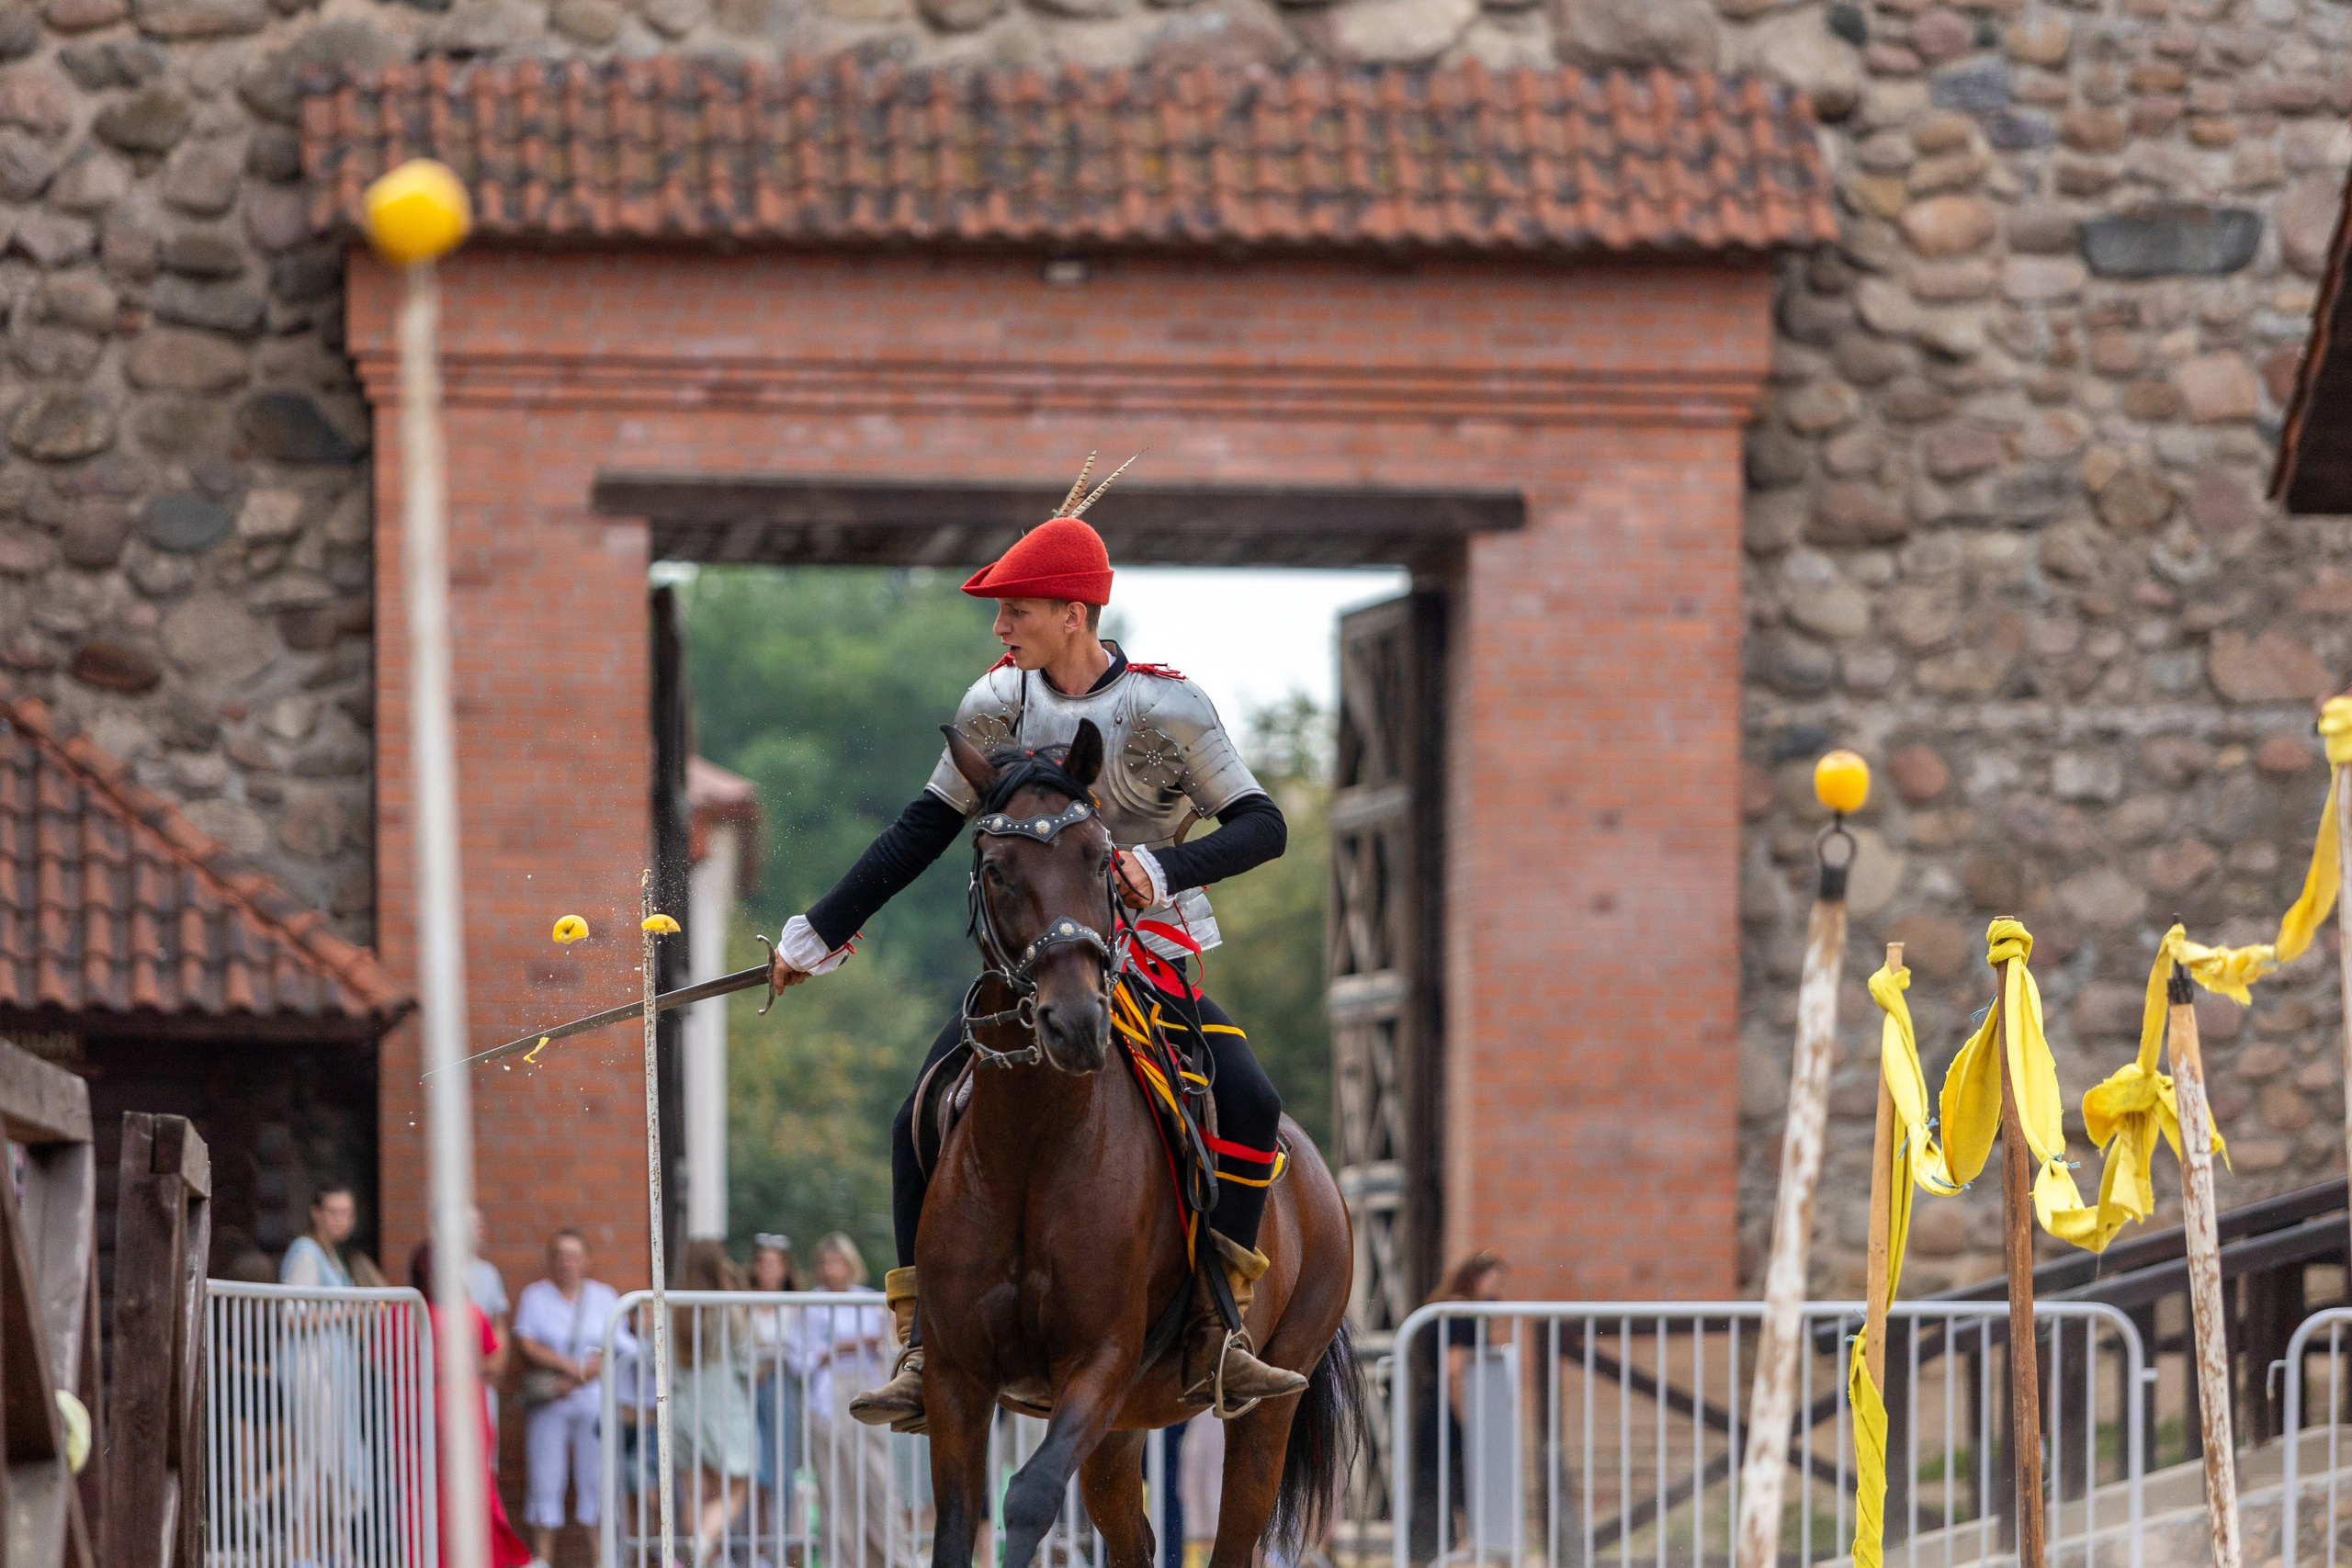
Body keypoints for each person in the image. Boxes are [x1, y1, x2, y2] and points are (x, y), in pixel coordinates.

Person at [764, 466, 1304, 1429]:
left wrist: (1164, 868)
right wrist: (819, 930)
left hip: (1149, 959)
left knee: (1253, 1101)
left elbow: (1264, 825)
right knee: (914, 1113)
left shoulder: (1172, 708)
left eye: (1014, 611)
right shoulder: (991, 705)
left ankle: (1217, 1331)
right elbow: (923, 826)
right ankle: (923, 1340)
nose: (999, 629)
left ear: (1071, 611)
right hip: (1028, 973)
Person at [411, 1242, 534, 1568]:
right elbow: (494, 1361)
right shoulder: (468, 1313)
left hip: (414, 1411)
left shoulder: (405, 1313)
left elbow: (378, 1360)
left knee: (423, 1492)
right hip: (465, 1408)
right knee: (473, 1490)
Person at [514, 1228, 629, 1561]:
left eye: (575, 1255)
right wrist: (568, 1367)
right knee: (544, 1479)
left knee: (596, 1479)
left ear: (587, 1260)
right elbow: (526, 1343)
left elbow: (616, 1346)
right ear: (551, 1260)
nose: (568, 1263)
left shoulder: (604, 1295)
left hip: (592, 1398)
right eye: (561, 1255)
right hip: (551, 1398)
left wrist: (579, 1377)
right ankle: (543, 1558)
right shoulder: (535, 1296)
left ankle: (600, 1559)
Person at [791, 1234, 895, 1568]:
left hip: (868, 1390)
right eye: (824, 1263)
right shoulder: (811, 1303)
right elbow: (799, 1357)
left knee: (878, 1481)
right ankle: (842, 1561)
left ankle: (892, 1558)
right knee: (835, 1487)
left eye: (837, 1262)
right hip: (827, 1395)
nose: (830, 1269)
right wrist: (841, 1348)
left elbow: (887, 1347)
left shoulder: (870, 1299)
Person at [1408, 1251, 1509, 1562]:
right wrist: (1466, 1417)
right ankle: (1444, 1551)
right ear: (1475, 1279)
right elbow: (1455, 1370)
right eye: (1491, 1281)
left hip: (1440, 1405)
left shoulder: (1448, 1309)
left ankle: (1433, 1552)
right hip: (1450, 1408)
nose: (1494, 1291)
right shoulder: (1460, 1313)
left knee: (1437, 1482)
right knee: (1451, 1480)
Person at [673, 1238, 757, 1561]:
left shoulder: (672, 1306)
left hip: (683, 1409)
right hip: (724, 1409)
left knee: (695, 1494)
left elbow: (653, 1361)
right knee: (735, 1489)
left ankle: (698, 1555)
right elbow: (747, 1359)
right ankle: (703, 1542)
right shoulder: (727, 1307)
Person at [746, 1234, 804, 1548]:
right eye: (762, 1262)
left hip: (780, 1390)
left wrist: (768, 1361)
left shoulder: (794, 1306)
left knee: (781, 1469)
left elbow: (796, 1351)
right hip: (747, 1392)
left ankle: (781, 1545)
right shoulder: (742, 1302)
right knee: (750, 1468)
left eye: (774, 1263)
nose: (767, 1269)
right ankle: (751, 1547)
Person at [463, 1204, 513, 1441]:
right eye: (473, 1224)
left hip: (483, 1379)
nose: (480, 1230)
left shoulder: (488, 1273)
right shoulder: (429, 1269)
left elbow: (499, 1322)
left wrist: (497, 1360)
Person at [281, 1183, 359, 1288]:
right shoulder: (306, 1253)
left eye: (346, 1212)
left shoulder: (331, 1251)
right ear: (316, 1213)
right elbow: (299, 1302)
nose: (340, 1220)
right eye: (333, 1212)